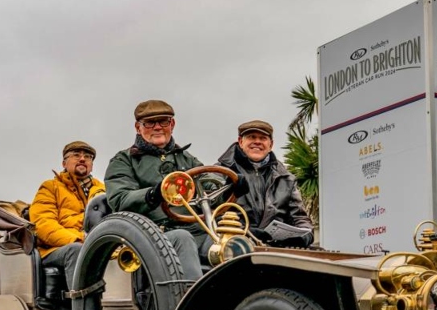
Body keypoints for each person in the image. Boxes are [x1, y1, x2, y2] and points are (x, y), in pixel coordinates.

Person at [105, 100, 205, 280]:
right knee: (182, 239)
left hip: (196, 229)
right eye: (150, 123)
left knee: (231, 241)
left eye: (163, 121)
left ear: (172, 125)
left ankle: (247, 303)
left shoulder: (186, 159)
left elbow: (208, 186)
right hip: (153, 234)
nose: (157, 127)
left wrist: (231, 184)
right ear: (138, 127)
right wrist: (153, 194)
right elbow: (120, 199)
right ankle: (191, 305)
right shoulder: (124, 161)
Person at [217, 120, 314, 248]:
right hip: (233, 245)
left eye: (263, 138)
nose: (257, 141)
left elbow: (299, 218)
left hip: (276, 248)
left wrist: (306, 234)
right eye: (252, 137)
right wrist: (245, 232)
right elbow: (208, 211)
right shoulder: (219, 172)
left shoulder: (286, 178)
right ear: (240, 141)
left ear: (271, 144)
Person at [31, 141, 106, 289]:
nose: (83, 159)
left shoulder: (102, 190)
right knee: (77, 250)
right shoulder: (50, 187)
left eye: (88, 157)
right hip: (57, 249)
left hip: (96, 244)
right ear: (64, 163)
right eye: (76, 155)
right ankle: (81, 308)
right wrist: (79, 239)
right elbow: (43, 225)